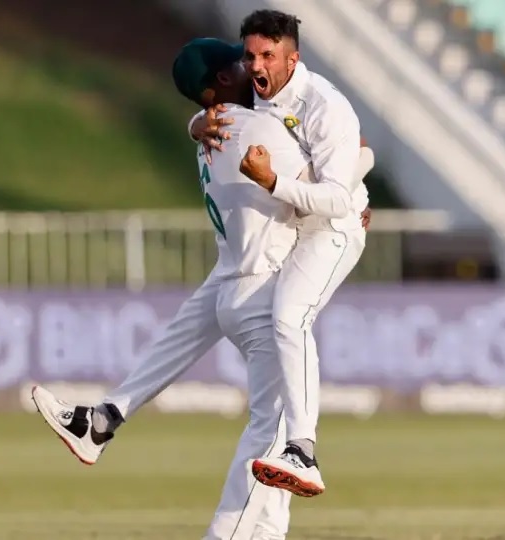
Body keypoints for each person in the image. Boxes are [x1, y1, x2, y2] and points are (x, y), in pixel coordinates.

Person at [31, 38, 376, 539]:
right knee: (271, 439)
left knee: (270, 457)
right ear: (218, 85)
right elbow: (335, 181)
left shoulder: (210, 137)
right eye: (240, 63)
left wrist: (197, 121)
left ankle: (105, 417)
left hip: (232, 285)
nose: (252, 67)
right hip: (262, 296)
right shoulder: (258, 128)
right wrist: (353, 192)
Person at [188, 10, 368, 498]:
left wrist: (273, 182)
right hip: (299, 228)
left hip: (335, 226)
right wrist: (196, 124)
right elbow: (214, 110)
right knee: (269, 319)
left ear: (293, 58)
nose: (256, 65)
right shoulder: (254, 90)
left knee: (289, 316)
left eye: (268, 55)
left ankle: (304, 452)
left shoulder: (326, 106)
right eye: (250, 55)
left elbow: (336, 198)